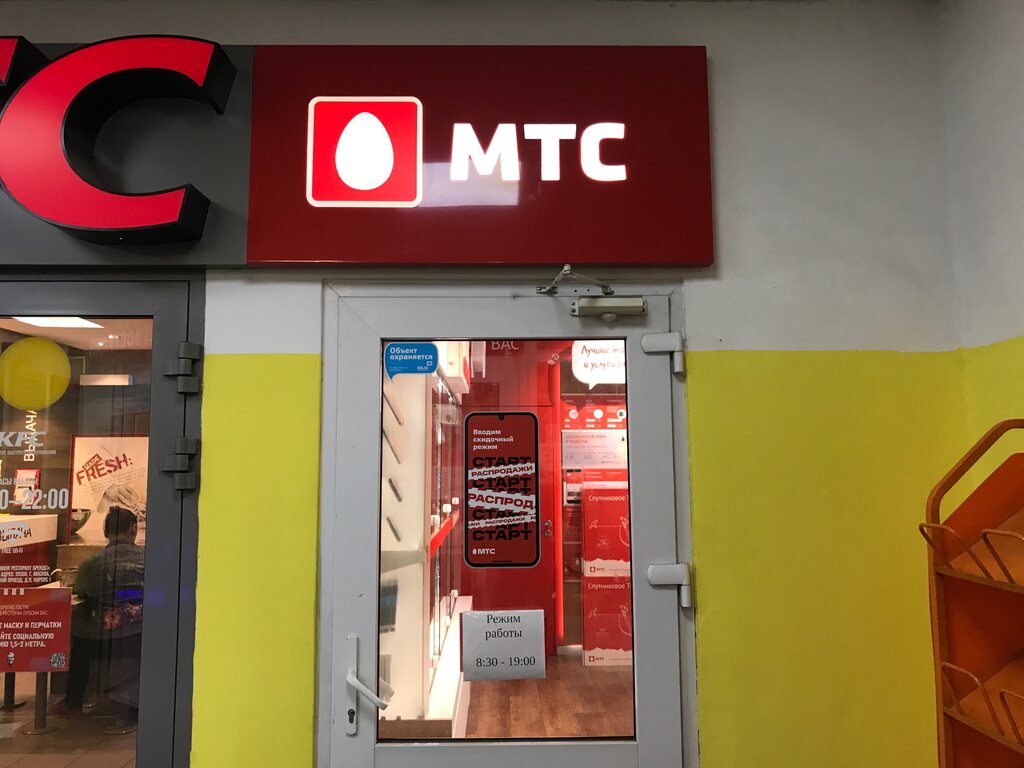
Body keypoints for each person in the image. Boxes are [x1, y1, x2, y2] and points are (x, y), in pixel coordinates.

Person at [52, 507, 145, 730]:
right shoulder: (149, 560)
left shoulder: (91, 564)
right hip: (141, 636)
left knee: (79, 639)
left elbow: (81, 591)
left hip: (101, 641)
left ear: (105, 532)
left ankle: (74, 703)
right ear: (133, 530)